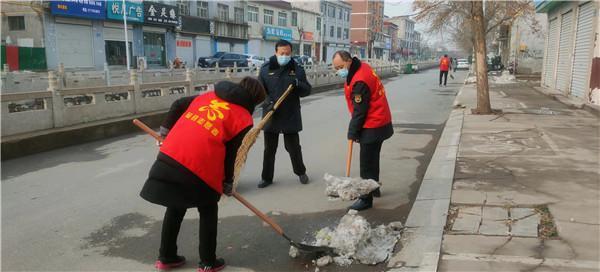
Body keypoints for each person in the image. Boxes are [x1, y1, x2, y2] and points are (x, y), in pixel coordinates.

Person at [140, 77, 266, 272]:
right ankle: (208, 262)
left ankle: (166, 258)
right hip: (199, 166)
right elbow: (231, 155)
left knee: (175, 206)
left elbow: (178, 104)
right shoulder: (243, 119)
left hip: (170, 155)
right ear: (255, 100)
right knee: (208, 210)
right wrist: (228, 181)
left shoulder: (208, 96)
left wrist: (165, 132)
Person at [331, 50, 393, 211]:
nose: (338, 71)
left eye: (340, 67)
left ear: (349, 61)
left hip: (373, 123)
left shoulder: (359, 80)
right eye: (335, 68)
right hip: (381, 120)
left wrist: (353, 132)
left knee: (366, 164)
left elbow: (360, 111)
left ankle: (366, 199)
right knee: (373, 159)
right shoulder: (362, 67)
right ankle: (374, 188)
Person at [257, 39, 312, 188]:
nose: (285, 56)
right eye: (282, 53)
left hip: (290, 114)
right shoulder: (265, 69)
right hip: (271, 114)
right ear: (276, 52)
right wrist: (269, 103)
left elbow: (307, 90)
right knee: (269, 149)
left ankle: (301, 172)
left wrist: (298, 84)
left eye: (288, 53)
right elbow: (260, 92)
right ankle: (266, 178)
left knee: (293, 147)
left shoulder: (297, 69)